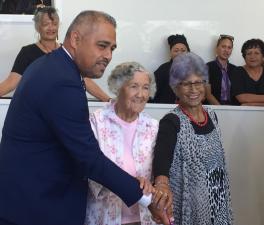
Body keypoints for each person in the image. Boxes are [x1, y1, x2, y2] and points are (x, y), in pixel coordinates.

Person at [0, 10, 170, 225]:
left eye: (112, 48)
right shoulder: (62, 81)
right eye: (102, 45)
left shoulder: (54, 66)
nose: (108, 55)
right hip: (37, 208)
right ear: (75, 39)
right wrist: (147, 198)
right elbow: (89, 158)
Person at [152, 52, 233, 225]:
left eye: (198, 82)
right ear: (176, 88)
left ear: (205, 84)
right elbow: (161, 165)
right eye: (186, 84)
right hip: (190, 205)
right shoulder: (171, 122)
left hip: (217, 198)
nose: (193, 89)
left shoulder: (211, 115)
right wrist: (161, 186)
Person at [85, 62, 164, 225]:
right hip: (105, 216)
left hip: (144, 218)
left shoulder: (153, 126)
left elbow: (159, 172)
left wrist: (156, 187)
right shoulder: (97, 122)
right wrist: (129, 183)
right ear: (118, 87)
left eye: (145, 87)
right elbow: (87, 169)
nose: (141, 94)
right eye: (134, 86)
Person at [0, 6, 111, 102]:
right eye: (46, 24)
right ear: (38, 27)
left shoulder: (68, 51)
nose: (51, 28)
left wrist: (108, 100)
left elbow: (85, 81)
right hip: (39, 109)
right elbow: (11, 82)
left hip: (66, 107)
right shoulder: (27, 52)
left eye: (54, 23)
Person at [151, 34, 190, 104]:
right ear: (171, 52)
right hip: (165, 109)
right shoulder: (162, 70)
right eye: (176, 50)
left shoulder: (194, 70)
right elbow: (151, 92)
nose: (179, 53)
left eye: (183, 50)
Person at [207, 34, 236, 105]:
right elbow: (208, 94)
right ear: (217, 48)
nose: (226, 50)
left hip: (233, 109)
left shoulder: (235, 69)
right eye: (223, 46)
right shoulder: (207, 67)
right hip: (214, 107)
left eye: (229, 48)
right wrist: (221, 109)